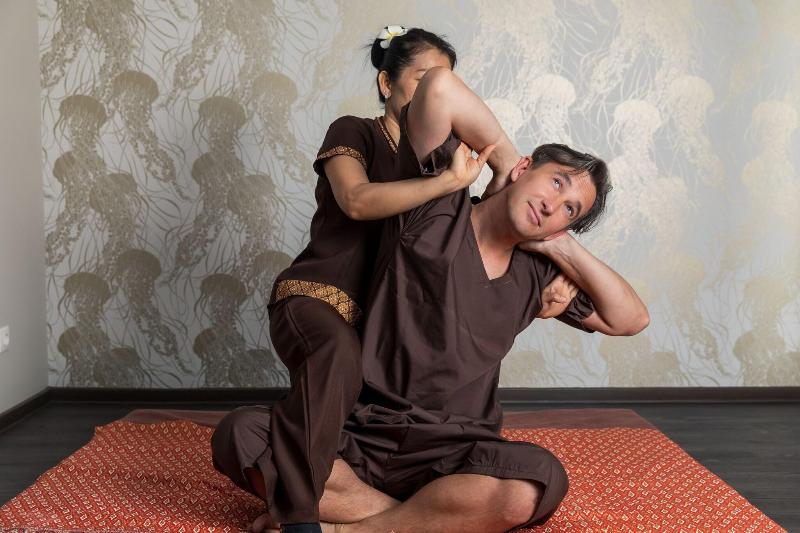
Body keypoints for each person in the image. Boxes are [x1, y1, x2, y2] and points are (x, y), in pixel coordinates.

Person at [213, 65, 648, 533]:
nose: (552, 205)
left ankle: (355, 527)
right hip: (358, 432)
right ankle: (432, 518)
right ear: (524, 168)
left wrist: (562, 247)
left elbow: (630, 319)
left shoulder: (541, 273)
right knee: (241, 435)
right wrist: (503, 163)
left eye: (570, 210)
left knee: (537, 482)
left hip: (453, 451)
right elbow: (439, 86)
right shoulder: (435, 209)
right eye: (556, 183)